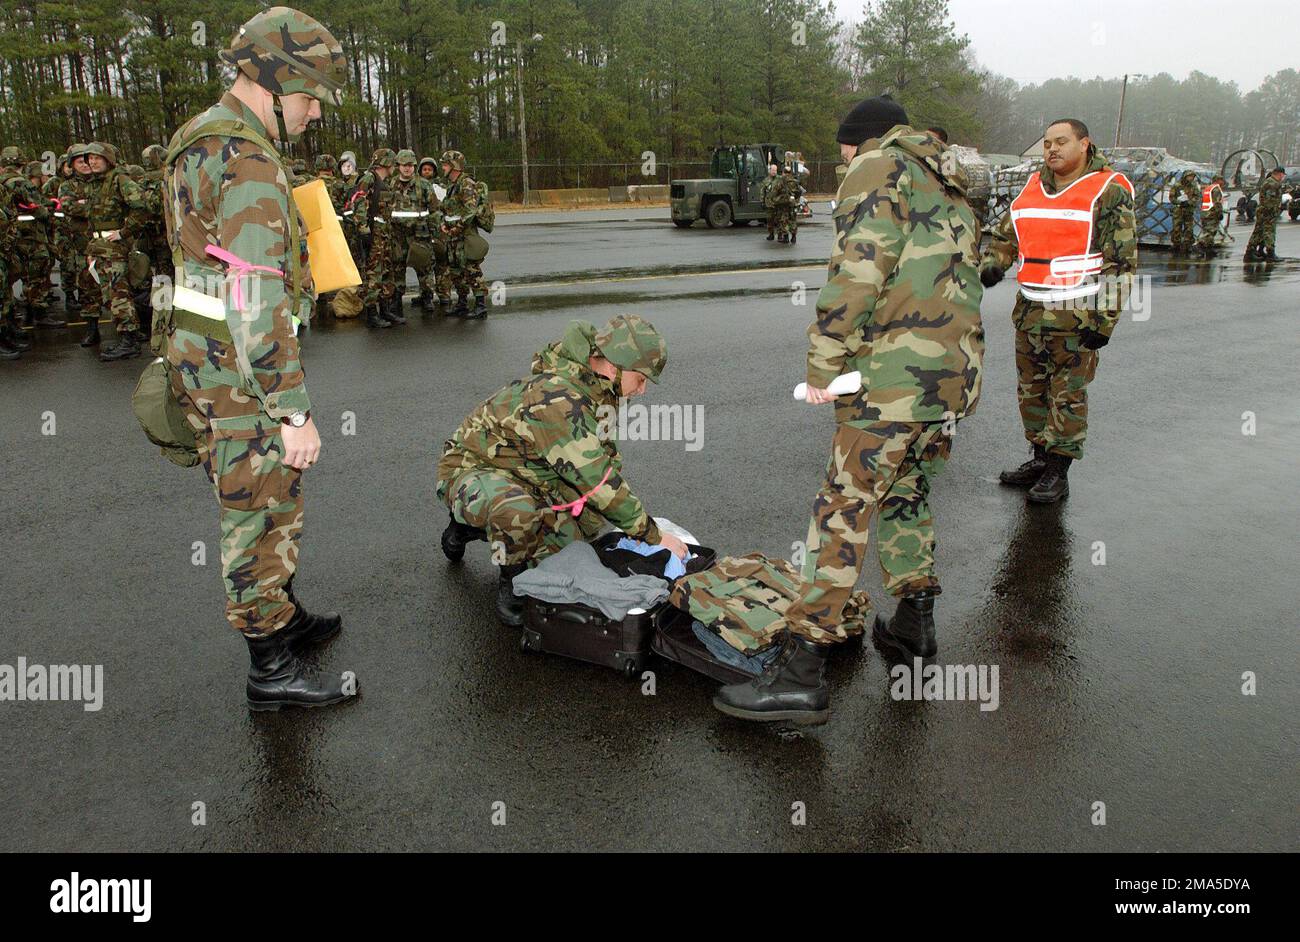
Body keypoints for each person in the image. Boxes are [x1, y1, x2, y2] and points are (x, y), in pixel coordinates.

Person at [713, 98, 984, 726]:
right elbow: (982, 267)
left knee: (843, 508)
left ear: (859, 141)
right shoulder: (947, 179)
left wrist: (824, 371)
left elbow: (855, 276)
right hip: (949, 385)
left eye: (842, 152)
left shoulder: (877, 167)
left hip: (891, 383)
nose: (841, 163)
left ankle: (802, 669)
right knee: (906, 495)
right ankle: (915, 627)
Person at [160, 6, 356, 711]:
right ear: (272, 82)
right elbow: (254, 299)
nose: (312, 114)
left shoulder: (202, 138)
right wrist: (294, 410)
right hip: (242, 373)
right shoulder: (243, 159)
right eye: (308, 98)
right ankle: (270, 669)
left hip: (212, 360)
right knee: (255, 508)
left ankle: (283, 613)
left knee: (272, 501)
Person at [436, 315, 685, 626]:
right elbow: (597, 481)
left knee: (576, 542)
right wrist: (652, 534)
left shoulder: (602, 390)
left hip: (530, 473)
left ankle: (485, 527)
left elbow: (605, 460)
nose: (643, 390)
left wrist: (617, 512)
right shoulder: (560, 400)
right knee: (519, 515)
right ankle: (510, 583)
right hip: (471, 469)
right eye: (642, 378)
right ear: (613, 365)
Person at [980, 118, 1137, 503]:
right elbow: (1006, 235)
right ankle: (1039, 458)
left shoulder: (1108, 189)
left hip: (1078, 315)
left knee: (1067, 395)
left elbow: (1122, 261)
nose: (1051, 149)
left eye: (1061, 141)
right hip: (1031, 313)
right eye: (1047, 143)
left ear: (1084, 144)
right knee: (1031, 393)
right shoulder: (1033, 187)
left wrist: (1106, 320)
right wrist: (994, 262)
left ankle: (1058, 471)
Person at [78, 142, 150, 360]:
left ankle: (128, 340)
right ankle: (131, 335)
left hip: (113, 248)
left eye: (97, 158)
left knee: (118, 293)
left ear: (108, 160)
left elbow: (142, 207)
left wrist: (125, 232)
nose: (92, 161)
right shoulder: (94, 184)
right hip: (98, 246)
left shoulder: (120, 180)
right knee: (103, 292)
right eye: (89, 158)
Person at [352, 147, 404, 327]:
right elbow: (358, 202)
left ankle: (386, 309)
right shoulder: (369, 179)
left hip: (384, 234)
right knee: (373, 273)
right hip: (374, 233)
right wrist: (364, 230)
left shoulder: (384, 181)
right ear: (386, 163)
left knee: (386, 272)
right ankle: (372, 313)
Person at [437, 150, 491, 318]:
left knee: (471, 268)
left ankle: (480, 305)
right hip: (453, 235)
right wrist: (444, 224)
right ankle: (462, 303)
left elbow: (470, 211)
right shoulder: (452, 186)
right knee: (455, 270)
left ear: (454, 166)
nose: (443, 167)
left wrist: (456, 228)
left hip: (465, 234)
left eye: (445, 164)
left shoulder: (466, 184)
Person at [388, 148, 438, 316]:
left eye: (410, 165)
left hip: (419, 234)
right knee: (397, 267)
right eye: (404, 165)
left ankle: (427, 296)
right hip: (397, 235)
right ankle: (396, 298)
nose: (407, 168)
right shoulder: (391, 184)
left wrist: (434, 233)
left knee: (424, 267)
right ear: (398, 166)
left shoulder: (423, 185)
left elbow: (434, 210)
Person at [1244, 167, 1285, 261]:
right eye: (1283, 175)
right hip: (1268, 213)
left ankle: (1250, 253)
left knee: (1259, 233)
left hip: (1264, 211)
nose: (1283, 177)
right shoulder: (1273, 184)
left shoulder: (1269, 182)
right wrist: (1275, 211)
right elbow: (1269, 201)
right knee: (1269, 232)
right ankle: (1271, 254)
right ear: (1280, 174)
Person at [1169, 170, 1199, 256]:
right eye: (1189, 176)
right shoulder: (1177, 185)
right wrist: (1179, 202)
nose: (1191, 178)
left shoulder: (1193, 186)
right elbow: (1171, 197)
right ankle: (1176, 244)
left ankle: (1187, 245)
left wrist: (1189, 202)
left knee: (1189, 228)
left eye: (1192, 177)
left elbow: (1197, 196)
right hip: (1178, 210)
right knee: (1176, 227)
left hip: (1189, 210)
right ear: (1185, 176)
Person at [1196, 174, 1226, 257]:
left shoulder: (1208, 188)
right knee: (1210, 232)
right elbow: (1217, 203)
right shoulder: (1216, 189)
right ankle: (1200, 245)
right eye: (1221, 180)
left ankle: (1209, 249)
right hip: (1212, 213)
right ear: (1217, 180)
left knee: (1207, 231)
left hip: (1205, 212)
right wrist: (1219, 213)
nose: (1223, 182)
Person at [758, 163, 779, 240]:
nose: (774, 172)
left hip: (778, 204)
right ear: (770, 170)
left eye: (775, 170)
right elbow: (762, 191)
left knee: (779, 220)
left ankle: (780, 235)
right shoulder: (766, 180)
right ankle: (771, 234)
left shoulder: (779, 179)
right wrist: (762, 202)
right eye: (773, 170)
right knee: (770, 220)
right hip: (769, 204)